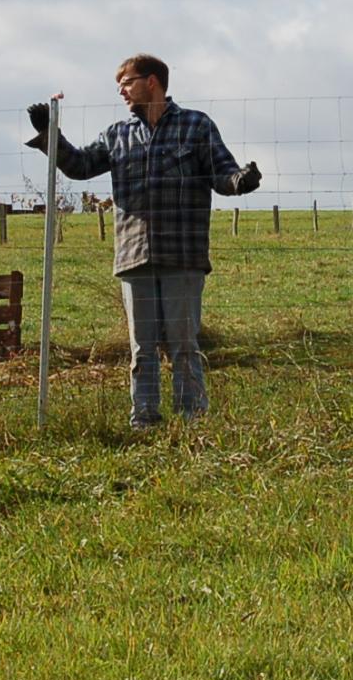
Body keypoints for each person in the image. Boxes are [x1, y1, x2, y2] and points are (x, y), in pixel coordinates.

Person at [27, 54, 260, 428]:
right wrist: (49, 135)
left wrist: (241, 181)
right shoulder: (117, 134)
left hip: (182, 254)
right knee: (142, 349)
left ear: (152, 82)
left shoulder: (196, 126)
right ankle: (145, 421)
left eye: (127, 82)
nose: (122, 90)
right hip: (134, 255)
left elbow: (222, 173)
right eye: (120, 84)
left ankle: (192, 420)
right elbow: (81, 166)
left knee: (184, 346)